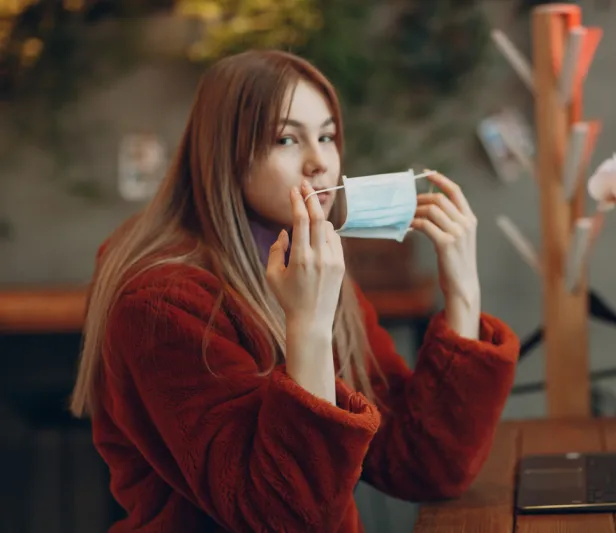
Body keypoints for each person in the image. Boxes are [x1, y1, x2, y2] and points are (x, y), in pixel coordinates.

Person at [70, 50, 520, 533]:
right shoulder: (161, 304)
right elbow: (284, 520)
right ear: (226, 155)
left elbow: (425, 465)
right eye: (286, 139)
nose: (319, 162)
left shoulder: (307, 268)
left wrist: (462, 292)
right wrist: (308, 327)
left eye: (326, 136)